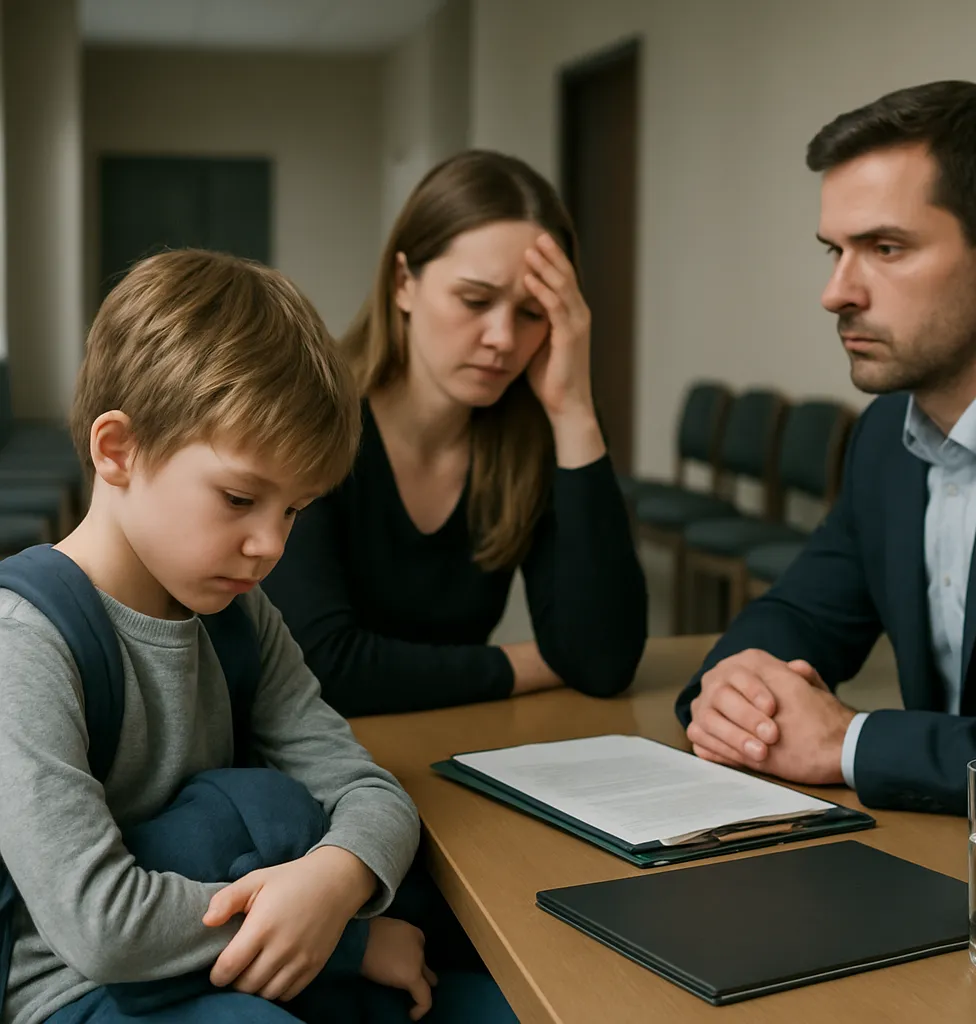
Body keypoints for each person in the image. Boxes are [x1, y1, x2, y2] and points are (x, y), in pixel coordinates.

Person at [0, 249, 496, 1024]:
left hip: (234, 949)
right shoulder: (25, 643)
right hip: (84, 992)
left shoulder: (239, 616)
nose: (270, 545)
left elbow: (369, 792)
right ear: (117, 450)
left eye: (292, 510)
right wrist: (344, 942)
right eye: (239, 498)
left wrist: (336, 879)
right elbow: (101, 926)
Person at [677, 80, 976, 816]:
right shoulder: (886, 438)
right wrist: (737, 687)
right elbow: (804, 611)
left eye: (885, 248)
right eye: (835, 251)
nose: (836, 292)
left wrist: (853, 744)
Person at [263, 150, 647, 717]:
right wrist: (532, 664)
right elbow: (321, 667)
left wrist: (574, 412)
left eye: (532, 313)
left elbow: (603, 662)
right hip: (308, 759)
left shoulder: (536, 433)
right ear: (404, 283)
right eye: (476, 300)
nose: (502, 338)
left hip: (453, 743)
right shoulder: (308, 414)